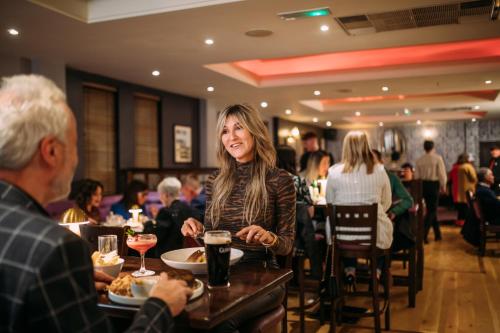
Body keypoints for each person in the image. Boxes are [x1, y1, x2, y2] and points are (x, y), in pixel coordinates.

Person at [0, 74, 192, 332]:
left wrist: (66, 280)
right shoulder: (56, 248)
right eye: (76, 145)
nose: (77, 159)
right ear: (52, 151)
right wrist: (161, 305)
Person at [182, 104, 296, 333]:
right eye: (224, 131)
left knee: (219, 323)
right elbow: (214, 236)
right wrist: (197, 230)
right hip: (218, 273)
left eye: (238, 128)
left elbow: (287, 245)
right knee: (182, 316)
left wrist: (269, 237)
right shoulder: (215, 180)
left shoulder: (279, 179)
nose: (231, 137)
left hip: (263, 276)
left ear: (255, 131)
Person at [326, 131, 393, 281]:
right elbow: (387, 202)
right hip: (373, 237)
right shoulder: (380, 171)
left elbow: (329, 203)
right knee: (384, 229)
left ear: (345, 148)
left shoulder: (333, 172)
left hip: (342, 238)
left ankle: (350, 270)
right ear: (366, 147)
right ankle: (376, 271)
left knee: (347, 234)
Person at [276, 145, 321, 279]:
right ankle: (315, 274)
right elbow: (310, 214)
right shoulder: (299, 181)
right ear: (292, 160)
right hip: (296, 241)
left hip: (271, 239)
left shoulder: (268, 181)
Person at [373, 150, 414, 252]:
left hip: (384, 217)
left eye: (373, 161)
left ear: (381, 162)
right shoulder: (361, 178)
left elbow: (408, 200)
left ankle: (379, 264)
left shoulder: (390, 177)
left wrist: (394, 212)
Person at [144, 177, 196, 256]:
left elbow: (156, 237)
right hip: (186, 253)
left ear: (165, 195)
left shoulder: (165, 211)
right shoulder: (188, 208)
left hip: (167, 255)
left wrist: (147, 223)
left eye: (160, 195)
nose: (160, 198)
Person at [414, 140, 447, 243]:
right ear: (433, 147)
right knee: (432, 210)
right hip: (433, 185)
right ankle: (423, 235)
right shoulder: (437, 158)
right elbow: (441, 173)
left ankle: (438, 235)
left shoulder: (419, 160)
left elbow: (417, 176)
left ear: (424, 148)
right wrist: (443, 185)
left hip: (422, 185)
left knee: (431, 210)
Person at [455, 153, 477, 226]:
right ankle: (468, 223)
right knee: (468, 207)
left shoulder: (460, 167)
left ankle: (460, 222)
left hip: (461, 189)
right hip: (469, 188)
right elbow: (474, 178)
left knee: (462, 208)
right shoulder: (468, 166)